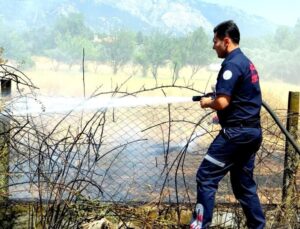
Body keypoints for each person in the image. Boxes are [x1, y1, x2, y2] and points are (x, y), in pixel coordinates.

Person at [190, 20, 266, 229]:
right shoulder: (246, 62)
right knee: (243, 186)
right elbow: (241, 98)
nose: (213, 45)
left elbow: (223, 102)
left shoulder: (231, 64)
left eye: (215, 41)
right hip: (251, 133)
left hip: (235, 135)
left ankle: (199, 226)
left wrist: (208, 103)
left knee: (205, 177)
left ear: (226, 41)